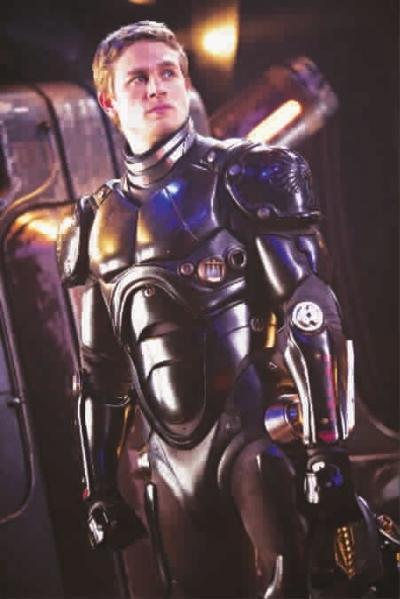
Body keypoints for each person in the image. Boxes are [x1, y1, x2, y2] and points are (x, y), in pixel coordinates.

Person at [57, 20, 383, 598]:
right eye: (138, 78)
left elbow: (310, 311)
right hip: (168, 460)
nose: (157, 87)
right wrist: (99, 489)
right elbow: (99, 374)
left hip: (255, 437)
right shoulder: (91, 223)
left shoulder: (248, 173)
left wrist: (325, 448)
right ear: (109, 101)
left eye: (168, 73)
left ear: (186, 84)